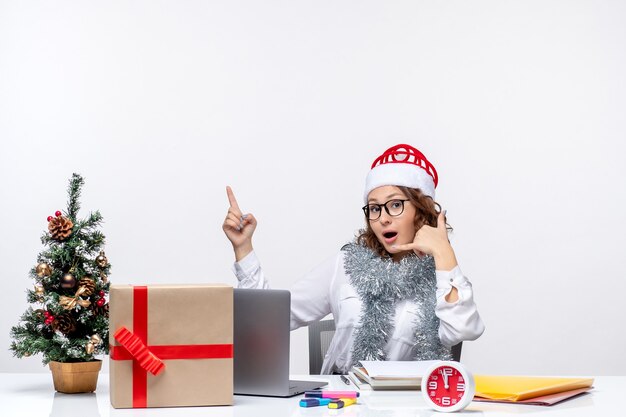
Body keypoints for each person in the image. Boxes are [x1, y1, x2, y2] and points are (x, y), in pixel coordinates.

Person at [223, 144, 485, 375]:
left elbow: (464, 329)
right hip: (340, 403)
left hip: (407, 406)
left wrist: (443, 254)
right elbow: (271, 319)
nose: (383, 218)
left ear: (421, 209)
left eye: (395, 205)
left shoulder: (442, 277)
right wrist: (244, 247)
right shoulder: (346, 265)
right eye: (374, 207)